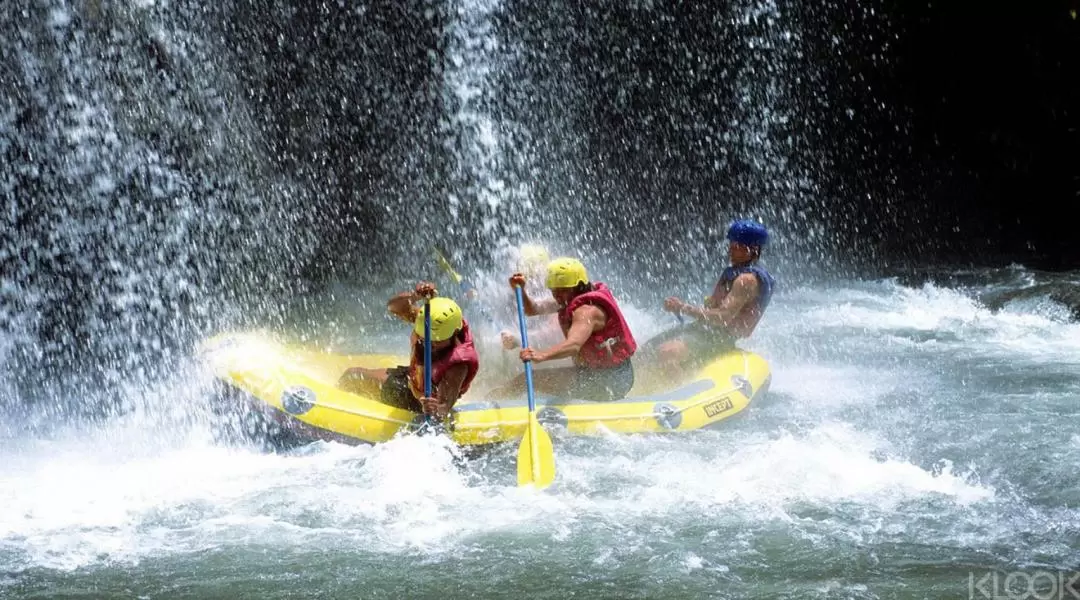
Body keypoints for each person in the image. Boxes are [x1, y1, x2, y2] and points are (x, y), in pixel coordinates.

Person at [486, 257, 638, 401]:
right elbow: (532, 309)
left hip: (611, 381)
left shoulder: (587, 311)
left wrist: (541, 355)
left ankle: (488, 407)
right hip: (597, 373)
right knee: (528, 380)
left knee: (527, 380)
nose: (557, 296)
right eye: (554, 290)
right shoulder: (568, 298)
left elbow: (573, 345)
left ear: (579, 285)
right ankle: (491, 402)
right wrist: (521, 289)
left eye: (562, 291)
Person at [646, 219, 775, 374]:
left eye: (737, 246)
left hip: (721, 338)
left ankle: (679, 391)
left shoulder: (746, 280)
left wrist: (683, 307)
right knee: (645, 351)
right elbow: (711, 309)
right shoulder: (731, 272)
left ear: (753, 249)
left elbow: (723, 318)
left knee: (667, 353)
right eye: (731, 245)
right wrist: (682, 307)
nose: (731, 250)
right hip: (703, 331)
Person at [338, 282, 479, 420]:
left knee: (352, 377)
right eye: (425, 338)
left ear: (454, 333)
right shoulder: (430, 323)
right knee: (351, 375)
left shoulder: (457, 365)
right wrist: (415, 295)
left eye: (436, 340)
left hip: (415, 400)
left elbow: (444, 406)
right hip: (413, 377)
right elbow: (393, 307)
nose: (429, 343)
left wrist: (436, 409)